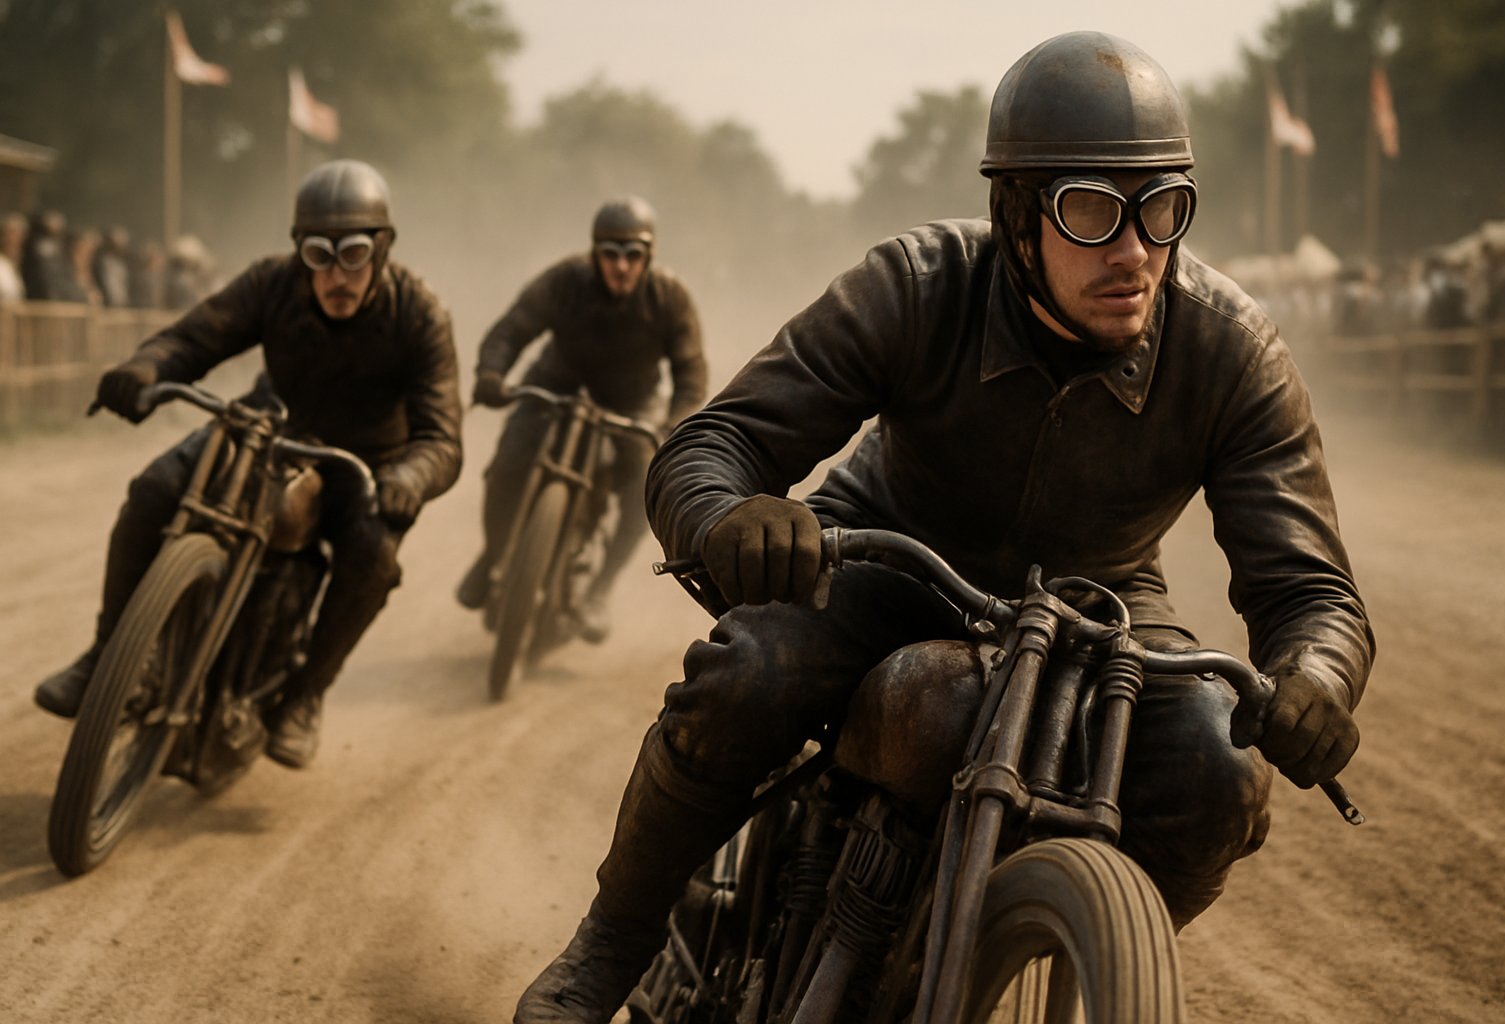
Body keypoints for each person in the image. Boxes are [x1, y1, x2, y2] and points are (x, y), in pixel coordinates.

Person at [514, 32, 1373, 1024]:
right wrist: (732, 515)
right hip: (889, 551)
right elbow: (712, 442)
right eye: (1093, 210)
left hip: (1105, 598)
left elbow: (1311, 590)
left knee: (1219, 776)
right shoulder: (917, 285)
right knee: (753, 668)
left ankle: (1047, 939)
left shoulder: (1233, 350)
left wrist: (1317, 673)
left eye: (1162, 207)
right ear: (1016, 218)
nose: (1135, 250)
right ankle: (611, 941)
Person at [34, 159, 463, 768]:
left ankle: (303, 697)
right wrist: (145, 369)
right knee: (155, 487)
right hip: (272, 427)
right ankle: (107, 658)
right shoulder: (271, 283)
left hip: (367, 465)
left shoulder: (421, 314)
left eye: (354, 255)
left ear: (384, 249)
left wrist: (409, 477)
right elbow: (191, 339)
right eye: (319, 255)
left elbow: (443, 437)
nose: (336, 275)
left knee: (373, 557)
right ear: (298, 252)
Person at [455, 197, 707, 641]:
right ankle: (494, 556)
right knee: (507, 465)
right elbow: (511, 330)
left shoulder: (670, 297)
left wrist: (673, 425)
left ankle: (598, 591)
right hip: (555, 384)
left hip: (633, 401)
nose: (622, 266)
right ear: (595, 253)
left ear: (648, 256)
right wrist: (491, 374)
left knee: (647, 484)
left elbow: (690, 372)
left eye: (633, 255)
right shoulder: (564, 281)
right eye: (610, 253)